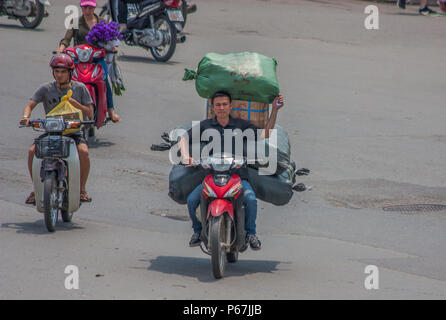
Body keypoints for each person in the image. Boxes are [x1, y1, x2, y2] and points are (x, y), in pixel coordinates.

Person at [178, 91, 284, 250]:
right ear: (212, 107)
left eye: (224, 104)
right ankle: (198, 232)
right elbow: (183, 138)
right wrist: (186, 156)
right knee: (192, 200)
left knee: (251, 200)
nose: (221, 108)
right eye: (218, 105)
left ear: (230, 106)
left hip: (238, 178)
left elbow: (266, 133)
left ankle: (251, 233)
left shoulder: (240, 125)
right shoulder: (206, 126)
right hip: (211, 178)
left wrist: (275, 110)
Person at [21, 54, 94, 204]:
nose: (60, 75)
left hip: (73, 132)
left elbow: (90, 112)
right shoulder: (46, 88)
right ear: (53, 72)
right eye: (57, 71)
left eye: (63, 72)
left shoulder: (80, 88)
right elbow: (30, 104)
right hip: (51, 131)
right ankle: (36, 189)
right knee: (32, 151)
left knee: (84, 152)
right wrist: (26, 116)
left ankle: (82, 189)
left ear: (70, 72)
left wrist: (76, 105)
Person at [57, 0, 120, 123]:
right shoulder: (75, 21)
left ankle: (111, 110)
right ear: (81, 7)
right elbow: (67, 39)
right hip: (78, 59)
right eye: (85, 8)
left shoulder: (101, 22)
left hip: (96, 59)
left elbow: (111, 39)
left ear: (94, 7)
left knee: (105, 80)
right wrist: (61, 48)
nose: (87, 11)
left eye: (90, 8)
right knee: (66, 80)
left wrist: (113, 47)